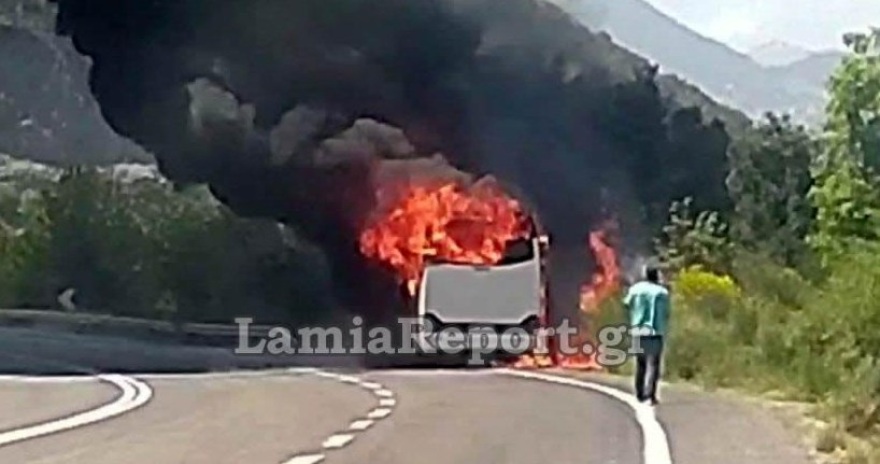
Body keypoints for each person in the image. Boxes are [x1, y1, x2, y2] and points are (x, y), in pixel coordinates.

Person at [622, 264, 670, 406]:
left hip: (639, 329)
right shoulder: (662, 292)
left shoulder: (636, 289)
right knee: (654, 364)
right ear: (657, 275)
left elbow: (626, 303)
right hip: (655, 330)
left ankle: (639, 393)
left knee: (640, 363)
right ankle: (651, 394)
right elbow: (666, 312)